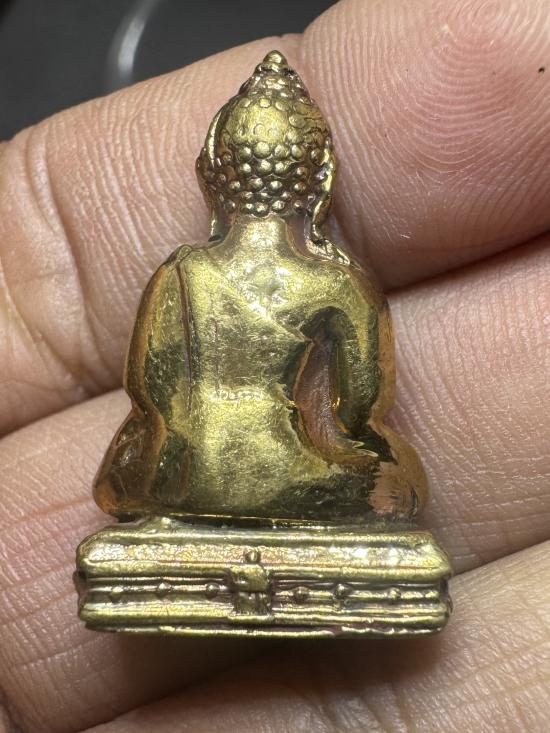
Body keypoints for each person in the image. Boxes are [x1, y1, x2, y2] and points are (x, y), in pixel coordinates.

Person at [0, 0, 549, 730]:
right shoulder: (336, 283)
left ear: (212, 173)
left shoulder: (182, 273)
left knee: (129, 466)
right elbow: (359, 412)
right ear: (318, 180)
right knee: (399, 481)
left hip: (180, 477)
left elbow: (150, 394)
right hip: (298, 474)